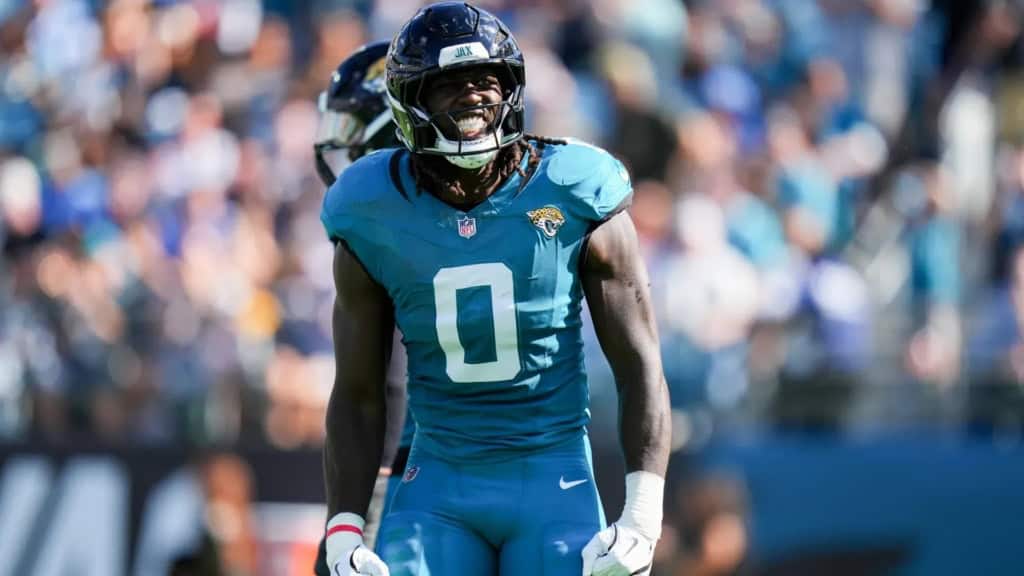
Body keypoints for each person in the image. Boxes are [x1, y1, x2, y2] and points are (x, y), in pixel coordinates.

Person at [319, 3, 671, 575]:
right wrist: (342, 530)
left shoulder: (574, 187)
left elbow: (640, 367)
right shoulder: (370, 208)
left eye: (485, 81)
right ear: (409, 102)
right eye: (449, 85)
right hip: (437, 485)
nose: (474, 98)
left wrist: (642, 518)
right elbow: (358, 392)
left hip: (553, 476)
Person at [311, 41, 414, 576]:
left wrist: (365, 498)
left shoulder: (388, 229)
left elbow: (383, 381)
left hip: (409, 475)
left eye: (354, 129)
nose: (343, 150)